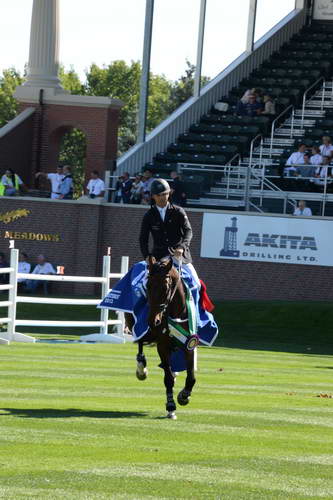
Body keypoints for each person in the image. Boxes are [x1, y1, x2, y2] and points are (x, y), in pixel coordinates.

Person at [139, 178, 199, 284]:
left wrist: (182, 247)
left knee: (197, 284)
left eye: (165, 194)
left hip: (179, 256)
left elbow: (188, 231)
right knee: (143, 286)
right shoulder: (149, 215)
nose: (162, 197)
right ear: (153, 196)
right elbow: (143, 238)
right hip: (158, 257)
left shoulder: (178, 211)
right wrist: (147, 256)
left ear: (169, 193)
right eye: (159, 195)